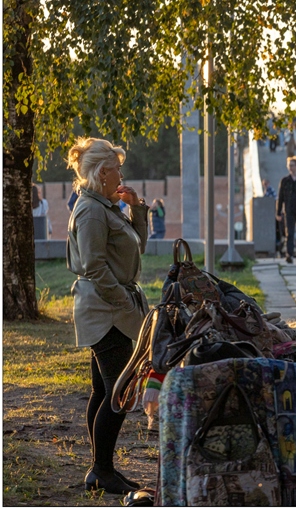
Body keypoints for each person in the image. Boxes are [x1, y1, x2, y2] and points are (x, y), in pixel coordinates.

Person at [65, 137, 148, 494]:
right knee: (120, 391)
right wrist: (126, 307)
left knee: (103, 391)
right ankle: (101, 470)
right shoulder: (90, 211)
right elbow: (95, 267)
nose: (122, 173)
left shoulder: (106, 206)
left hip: (111, 308)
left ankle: (102, 469)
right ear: (102, 173)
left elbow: (136, 249)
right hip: (104, 310)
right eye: (116, 167)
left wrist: (137, 210)